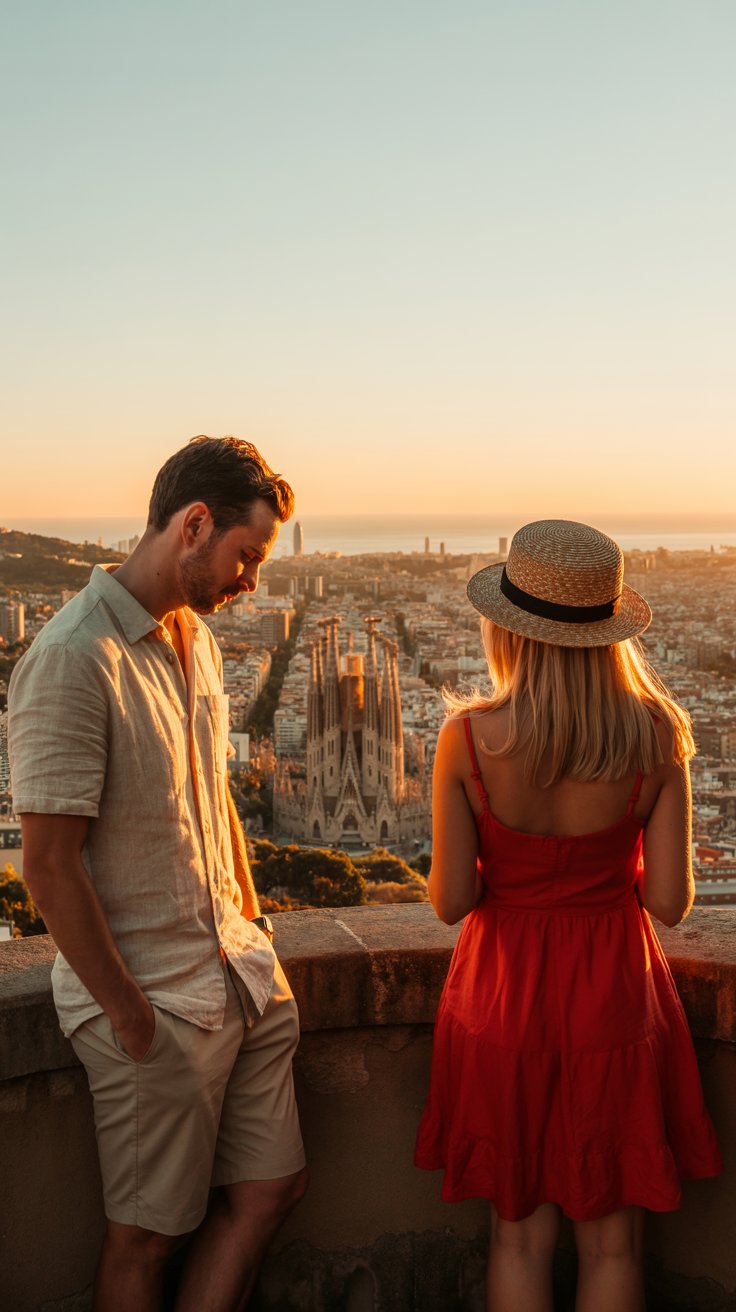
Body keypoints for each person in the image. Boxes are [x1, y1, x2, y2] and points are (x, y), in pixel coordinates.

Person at [8, 436, 308, 1312]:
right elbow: (48, 864)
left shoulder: (198, 645)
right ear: (194, 523)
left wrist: (252, 922)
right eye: (246, 554)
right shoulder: (71, 658)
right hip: (159, 1002)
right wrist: (135, 1022)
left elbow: (211, 803)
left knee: (270, 1192)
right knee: (143, 1242)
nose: (252, 579)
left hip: (240, 977)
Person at [414, 519, 722, 1312]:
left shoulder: (466, 739)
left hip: (500, 996)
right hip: (614, 996)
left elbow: (450, 903)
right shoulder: (658, 736)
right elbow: (668, 903)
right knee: (612, 1243)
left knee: (517, 1236)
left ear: (507, 627)